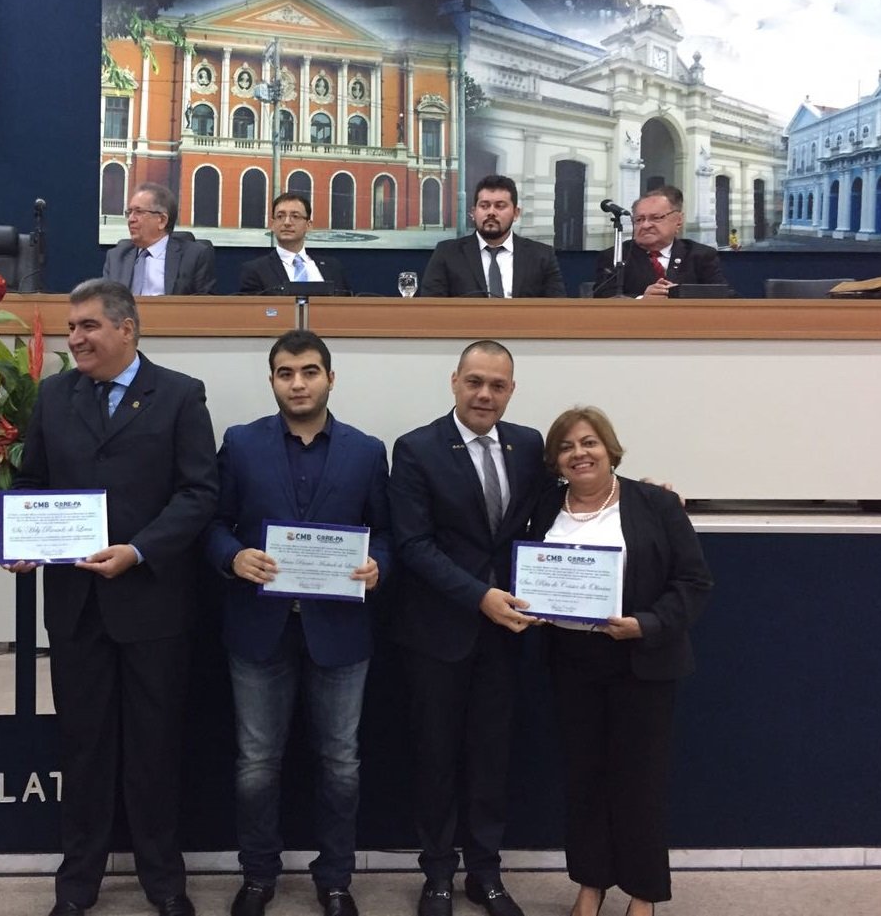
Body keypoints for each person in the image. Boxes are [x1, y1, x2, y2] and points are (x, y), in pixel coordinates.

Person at [8, 279, 219, 916]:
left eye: (87, 326)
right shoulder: (54, 395)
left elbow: (199, 493)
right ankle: (77, 886)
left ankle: (165, 883)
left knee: (155, 750)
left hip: (153, 603)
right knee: (83, 749)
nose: (74, 338)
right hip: (76, 607)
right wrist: (23, 538)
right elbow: (32, 481)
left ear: (127, 329)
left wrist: (139, 550)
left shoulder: (180, 394)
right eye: (71, 327)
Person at [203, 329, 390, 916]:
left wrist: (379, 565)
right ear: (272, 381)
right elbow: (212, 523)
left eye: (309, 371)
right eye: (286, 373)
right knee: (257, 765)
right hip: (259, 628)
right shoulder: (240, 443)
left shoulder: (366, 451)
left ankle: (335, 880)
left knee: (341, 765)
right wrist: (232, 557)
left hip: (340, 632)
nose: (298, 383)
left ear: (330, 378)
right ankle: (258, 875)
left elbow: (387, 532)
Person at [528, 406, 712, 916]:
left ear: (610, 449)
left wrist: (645, 624)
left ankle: (643, 892)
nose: (579, 453)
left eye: (589, 442)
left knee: (639, 782)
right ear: (555, 461)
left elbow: (694, 583)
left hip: (641, 661)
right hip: (572, 662)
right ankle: (591, 883)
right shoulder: (545, 506)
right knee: (584, 779)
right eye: (566, 446)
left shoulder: (655, 503)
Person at [389, 341, 546, 916]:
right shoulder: (416, 448)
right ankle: (436, 874)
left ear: (511, 390)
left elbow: (562, 503)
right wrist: (480, 597)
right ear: (454, 381)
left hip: (505, 637)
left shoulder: (529, 445)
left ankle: (485, 873)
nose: (485, 394)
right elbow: (413, 545)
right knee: (435, 758)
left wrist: (644, 493)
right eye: (475, 381)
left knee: (491, 759)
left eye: (497, 385)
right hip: (437, 635)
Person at [419, 175, 565, 298]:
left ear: (516, 213)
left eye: (500, 206)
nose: (491, 212)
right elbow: (431, 307)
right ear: (473, 213)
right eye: (484, 206)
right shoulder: (447, 253)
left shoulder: (541, 256)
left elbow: (557, 309)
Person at [593, 186, 726, 298]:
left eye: (656, 218)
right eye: (639, 220)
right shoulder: (616, 256)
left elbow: (724, 297)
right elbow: (601, 298)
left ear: (679, 220)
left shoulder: (701, 255)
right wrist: (641, 300)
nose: (645, 225)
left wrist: (679, 295)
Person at [103, 182, 216, 295]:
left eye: (139, 212)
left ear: (162, 220)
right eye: (129, 212)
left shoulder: (194, 256)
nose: (131, 219)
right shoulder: (116, 257)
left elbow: (205, 303)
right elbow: (107, 301)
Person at [238, 193, 349, 294]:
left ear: (308, 225)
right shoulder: (256, 270)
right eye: (280, 216)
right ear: (273, 225)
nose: (287, 223)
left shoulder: (333, 267)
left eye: (295, 216)